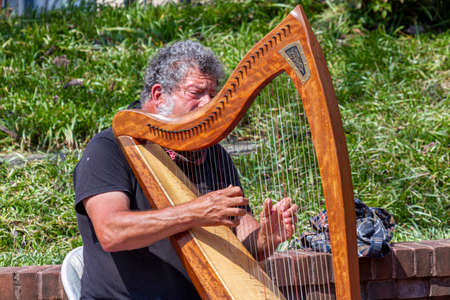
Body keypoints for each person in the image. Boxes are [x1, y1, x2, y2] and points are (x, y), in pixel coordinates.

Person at [74, 40, 298, 299]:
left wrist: (265, 238)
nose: (209, 104)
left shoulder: (213, 155)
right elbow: (111, 231)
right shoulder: (108, 149)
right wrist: (195, 212)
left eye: (213, 95)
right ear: (159, 96)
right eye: (196, 93)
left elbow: (241, 236)